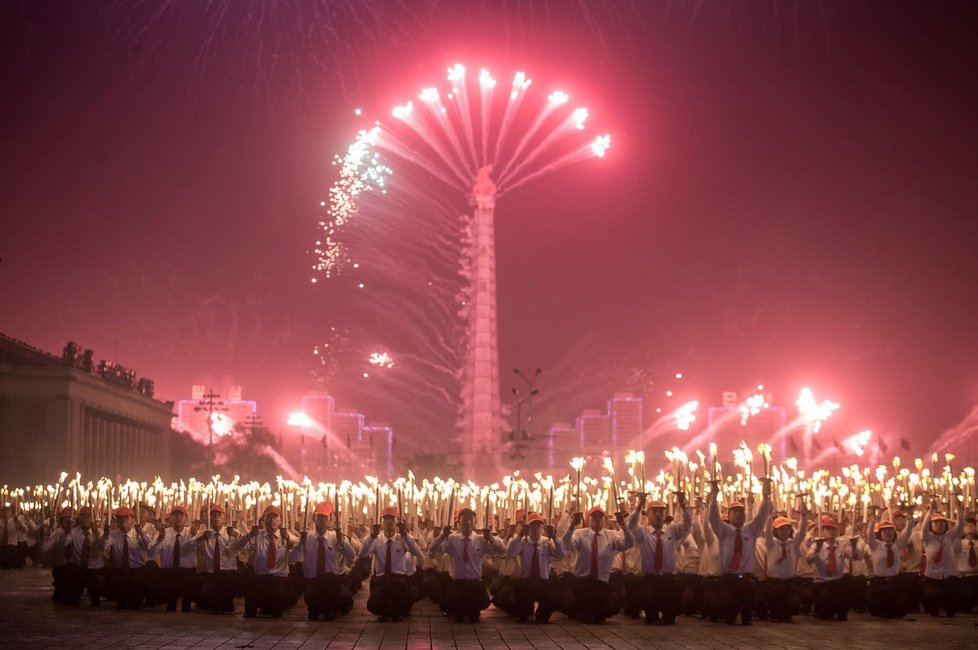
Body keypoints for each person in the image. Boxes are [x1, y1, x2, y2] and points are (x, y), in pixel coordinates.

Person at [708, 478, 772, 625]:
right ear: (729, 516)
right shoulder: (724, 531)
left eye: (741, 512)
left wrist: (766, 497)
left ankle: (747, 614)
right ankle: (729, 612)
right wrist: (713, 497)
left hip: (746, 577)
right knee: (729, 614)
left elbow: (762, 515)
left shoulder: (750, 530)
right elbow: (713, 517)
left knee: (749, 588)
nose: (739, 514)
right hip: (728, 577)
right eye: (735, 511)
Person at [430, 507, 506, 623]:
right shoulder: (452, 539)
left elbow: (502, 549)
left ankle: (472, 611)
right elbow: (433, 549)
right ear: (459, 523)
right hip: (457, 583)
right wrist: (442, 536)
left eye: (471, 520)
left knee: (479, 605)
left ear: (475, 523)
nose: (468, 523)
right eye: (465, 520)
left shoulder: (481, 540)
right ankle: (459, 611)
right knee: (454, 601)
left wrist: (491, 538)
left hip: (475, 583)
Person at [561, 505, 635, 623]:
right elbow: (566, 544)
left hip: (601, 584)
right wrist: (571, 526)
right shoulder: (580, 533)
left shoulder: (612, 535)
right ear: (588, 519)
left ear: (605, 520)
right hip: (582, 582)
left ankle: (592, 612)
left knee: (612, 605)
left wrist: (624, 525)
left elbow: (629, 543)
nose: (597, 520)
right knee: (572, 603)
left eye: (600, 517)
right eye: (594, 517)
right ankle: (584, 611)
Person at [627, 493, 691, 625]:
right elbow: (631, 524)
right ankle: (651, 611)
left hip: (668, 578)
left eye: (661, 512)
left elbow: (686, 525)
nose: (658, 515)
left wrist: (683, 507)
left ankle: (669, 611)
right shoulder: (643, 533)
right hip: (651, 578)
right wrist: (639, 506)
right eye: (654, 512)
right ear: (648, 515)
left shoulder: (672, 531)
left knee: (670, 617)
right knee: (650, 615)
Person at [291, 502, 355, 620]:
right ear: (314, 519)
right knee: (314, 600)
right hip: (313, 580)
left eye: (325, 518)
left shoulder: (334, 537)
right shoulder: (307, 538)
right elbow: (291, 559)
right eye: (319, 517)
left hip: (331, 581)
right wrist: (300, 543)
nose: (322, 521)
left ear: (330, 521)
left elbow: (352, 555)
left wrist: (343, 541)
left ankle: (330, 609)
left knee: (343, 597)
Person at [360, 506, 424, 621]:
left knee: (398, 593)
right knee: (373, 604)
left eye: (392, 519)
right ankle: (392, 611)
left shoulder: (402, 538)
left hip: (399, 579)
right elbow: (362, 554)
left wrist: (406, 536)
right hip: (381, 579)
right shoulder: (376, 539)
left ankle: (394, 611)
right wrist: (371, 537)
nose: (389, 522)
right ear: (381, 522)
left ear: (396, 522)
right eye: (386, 519)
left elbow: (417, 552)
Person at [233, 505, 297, 618]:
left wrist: (287, 538)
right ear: (264, 520)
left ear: (280, 520)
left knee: (276, 604)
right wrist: (250, 534)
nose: (272, 521)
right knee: (251, 592)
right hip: (261, 577)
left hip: (278, 578)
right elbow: (238, 546)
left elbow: (297, 546)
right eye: (269, 517)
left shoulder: (285, 535)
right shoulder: (258, 535)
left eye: (275, 517)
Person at [506, 512, 564, 623]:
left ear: (542, 528)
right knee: (522, 615)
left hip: (542, 581)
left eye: (537, 526)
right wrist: (519, 535)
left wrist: (555, 537)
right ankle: (525, 611)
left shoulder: (547, 542)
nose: (535, 529)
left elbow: (561, 554)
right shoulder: (523, 542)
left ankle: (541, 614)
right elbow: (510, 553)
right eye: (532, 526)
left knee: (553, 598)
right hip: (526, 581)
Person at [806, 515, 862, 621]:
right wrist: (817, 549)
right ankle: (821, 608)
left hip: (837, 582)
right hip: (822, 583)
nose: (830, 531)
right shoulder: (816, 546)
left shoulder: (841, 545)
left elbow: (856, 557)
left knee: (842, 613)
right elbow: (809, 560)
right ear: (821, 531)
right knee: (826, 611)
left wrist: (854, 546)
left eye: (833, 529)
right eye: (827, 529)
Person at [760, 506, 810, 621]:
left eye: (787, 529)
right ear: (776, 531)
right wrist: (769, 516)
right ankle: (775, 613)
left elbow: (802, 533)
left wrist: (803, 516)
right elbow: (767, 532)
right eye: (781, 529)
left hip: (789, 582)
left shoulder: (792, 544)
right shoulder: (771, 544)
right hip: (774, 582)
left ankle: (787, 613)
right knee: (776, 600)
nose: (784, 532)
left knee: (794, 605)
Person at [147, 505, 198, 612]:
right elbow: (150, 552)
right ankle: (170, 606)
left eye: (181, 515)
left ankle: (186, 607)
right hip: (169, 571)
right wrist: (160, 539)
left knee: (189, 578)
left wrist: (196, 536)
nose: (178, 517)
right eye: (175, 515)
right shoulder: (164, 533)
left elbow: (201, 548)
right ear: (170, 518)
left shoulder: (192, 532)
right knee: (169, 582)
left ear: (186, 518)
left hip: (187, 571)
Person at [865, 510, 916, 618]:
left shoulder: (897, 545)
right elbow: (869, 537)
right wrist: (871, 523)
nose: (888, 533)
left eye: (890, 530)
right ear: (880, 533)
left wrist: (910, 522)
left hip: (895, 581)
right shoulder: (876, 546)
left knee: (899, 611)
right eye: (885, 531)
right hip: (879, 582)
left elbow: (907, 533)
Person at [920, 498, 965, 617]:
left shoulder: (950, 536)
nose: (939, 525)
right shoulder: (928, 538)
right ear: (932, 525)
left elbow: (960, 524)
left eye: (942, 523)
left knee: (952, 595)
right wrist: (930, 511)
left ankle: (950, 611)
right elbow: (924, 527)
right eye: (936, 523)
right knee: (933, 594)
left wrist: (959, 510)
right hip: (933, 576)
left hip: (949, 574)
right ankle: (934, 610)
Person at [195, 504, 241, 614]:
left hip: (228, 573)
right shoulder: (205, 534)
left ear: (224, 518)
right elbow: (190, 546)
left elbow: (243, 545)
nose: (216, 518)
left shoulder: (231, 533)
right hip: (211, 574)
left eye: (218, 515)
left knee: (225, 581)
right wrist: (199, 535)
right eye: (213, 515)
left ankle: (224, 605)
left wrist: (236, 536)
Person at [105, 506, 151, 609]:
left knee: (138, 580)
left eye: (126, 518)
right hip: (120, 569)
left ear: (133, 520)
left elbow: (149, 546)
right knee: (118, 581)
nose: (123, 521)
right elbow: (102, 547)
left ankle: (136, 601)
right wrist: (105, 535)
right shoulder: (113, 534)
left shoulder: (138, 534)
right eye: (120, 518)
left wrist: (142, 533)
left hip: (136, 569)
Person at [62, 506, 109, 606]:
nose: (85, 518)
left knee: (97, 580)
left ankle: (95, 596)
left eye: (88, 516)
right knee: (71, 569)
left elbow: (104, 547)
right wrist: (67, 531)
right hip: (80, 567)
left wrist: (96, 533)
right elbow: (64, 543)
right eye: (82, 515)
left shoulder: (99, 532)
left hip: (96, 568)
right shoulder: (74, 532)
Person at [41, 507, 76, 603]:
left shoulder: (78, 533)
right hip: (61, 566)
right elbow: (44, 548)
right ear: (61, 521)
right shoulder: (57, 533)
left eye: (71, 521)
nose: (69, 523)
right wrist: (49, 531)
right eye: (66, 520)